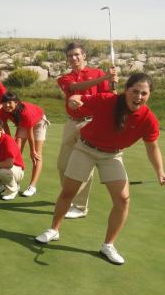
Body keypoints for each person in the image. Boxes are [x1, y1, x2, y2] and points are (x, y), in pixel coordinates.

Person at [35, 73, 165, 265]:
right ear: (126, 90)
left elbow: (152, 147)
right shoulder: (107, 99)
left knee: (123, 200)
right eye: (135, 91)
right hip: (85, 149)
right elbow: (78, 98)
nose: (138, 97)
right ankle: (54, 230)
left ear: (149, 95)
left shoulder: (148, 119)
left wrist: (160, 172)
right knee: (68, 192)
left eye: (144, 93)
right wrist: (74, 101)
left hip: (112, 155)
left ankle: (108, 245)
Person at [56, 42, 117, 218]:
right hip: (72, 123)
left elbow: (109, 97)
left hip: (91, 123)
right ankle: (69, 196)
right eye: (70, 56)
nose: (73, 58)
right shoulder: (65, 78)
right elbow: (75, 88)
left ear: (84, 56)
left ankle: (80, 207)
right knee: (63, 165)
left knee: (83, 166)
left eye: (77, 54)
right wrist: (104, 78)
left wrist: (112, 82)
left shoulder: (97, 72)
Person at [0, 92, 49, 197]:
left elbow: (30, 133)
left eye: (9, 103)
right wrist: (10, 141)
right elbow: (5, 126)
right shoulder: (3, 111)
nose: (7, 105)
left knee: (36, 155)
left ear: (16, 103)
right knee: (15, 152)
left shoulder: (26, 113)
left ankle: (32, 186)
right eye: (4, 103)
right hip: (23, 123)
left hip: (39, 122)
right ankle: (15, 182)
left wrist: (32, 151)